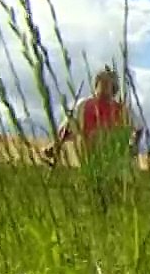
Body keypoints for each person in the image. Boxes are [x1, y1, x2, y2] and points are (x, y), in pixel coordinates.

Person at [44, 66, 144, 210]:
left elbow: (139, 127)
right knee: (90, 203)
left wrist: (133, 144)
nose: (103, 88)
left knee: (111, 205)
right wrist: (54, 146)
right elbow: (67, 130)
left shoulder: (123, 111)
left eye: (107, 85)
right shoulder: (84, 106)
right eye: (100, 84)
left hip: (114, 167)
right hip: (89, 163)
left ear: (114, 88)